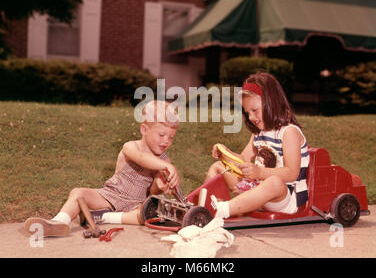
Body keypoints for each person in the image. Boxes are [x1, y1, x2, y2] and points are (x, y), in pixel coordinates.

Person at [24, 100, 181, 237]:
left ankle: (104, 217)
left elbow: (152, 192)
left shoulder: (164, 160)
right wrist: (166, 166)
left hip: (135, 204)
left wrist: (160, 185)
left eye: (172, 137)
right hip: (110, 195)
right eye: (161, 135)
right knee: (78, 193)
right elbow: (141, 158)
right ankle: (58, 223)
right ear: (144, 130)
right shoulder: (131, 146)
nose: (166, 141)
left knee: (149, 212)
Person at [205, 71, 309, 218]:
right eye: (248, 112)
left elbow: (292, 173)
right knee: (218, 167)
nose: (251, 117)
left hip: (285, 198)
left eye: (255, 110)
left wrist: (260, 173)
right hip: (259, 189)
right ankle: (202, 205)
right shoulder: (258, 133)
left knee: (274, 182)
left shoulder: (289, 132)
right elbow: (243, 160)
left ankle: (223, 210)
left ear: (271, 103)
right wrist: (225, 153)